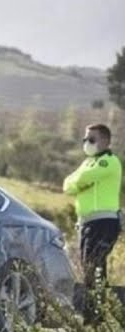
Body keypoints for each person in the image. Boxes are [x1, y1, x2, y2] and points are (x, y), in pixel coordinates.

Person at [63, 124, 122, 324]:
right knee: (90, 268)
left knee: (93, 268)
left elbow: (82, 179)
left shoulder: (108, 162)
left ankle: (96, 316)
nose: (86, 144)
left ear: (105, 141)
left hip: (103, 223)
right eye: (85, 140)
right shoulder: (88, 163)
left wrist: (80, 182)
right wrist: (80, 182)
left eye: (91, 140)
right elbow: (67, 184)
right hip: (87, 225)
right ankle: (97, 314)